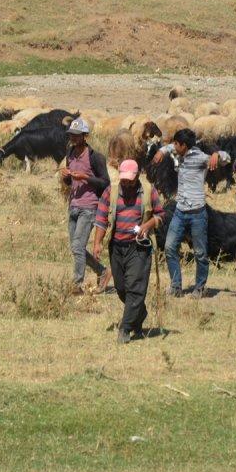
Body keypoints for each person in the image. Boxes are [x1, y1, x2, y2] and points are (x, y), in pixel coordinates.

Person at [152, 128, 230, 299]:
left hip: (197, 213)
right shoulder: (179, 152)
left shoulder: (202, 158)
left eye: (176, 144)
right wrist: (160, 151)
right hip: (180, 211)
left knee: (200, 252)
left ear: (184, 146)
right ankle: (176, 286)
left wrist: (217, 154)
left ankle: (200, 287)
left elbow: (227, 158)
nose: (174, 146)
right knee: (170, 247)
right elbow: (169, 148)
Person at [93, 160, 165, 344]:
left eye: (130, 181)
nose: (126, 183)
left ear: (137, 176)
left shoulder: (149, 191)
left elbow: (160, 215)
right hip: (117, 246)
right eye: (123, 180)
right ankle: (139, 314)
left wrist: (148, 225)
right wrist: (97, 243)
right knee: (121, 288)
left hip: (139, 247)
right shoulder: (111, 191)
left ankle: (125, 329)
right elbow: (101, 218)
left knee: (135, 287)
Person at [59, 117, 111, 294]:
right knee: (76, 248)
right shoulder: (70, 153)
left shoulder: (95, 157)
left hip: (89, 207)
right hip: (73, 205)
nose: (73, 138)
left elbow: (105, 182)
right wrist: (66, 176)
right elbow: (68, 182)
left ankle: (77, 284)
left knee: (77, 247)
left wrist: (85, 177)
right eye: (71, 135)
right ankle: (102, 272)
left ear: (85, 136)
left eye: (76, 135)